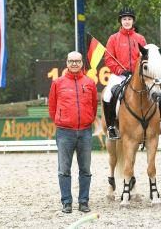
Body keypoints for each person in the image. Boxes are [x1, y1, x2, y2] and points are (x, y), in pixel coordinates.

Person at [102, 6, 161, 139]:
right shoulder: (113, 38)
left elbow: (146, 58)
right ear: (120, 21)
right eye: (124, 19)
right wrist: (120, 70)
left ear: (133, 21)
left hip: (138, 75)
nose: (127, 21)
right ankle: (111, 126)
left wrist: (137, 71)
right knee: (107, 94)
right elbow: (108, 59)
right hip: (119, 75)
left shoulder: (140, 38)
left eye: (129, 19)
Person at [48, 51, 97, 213]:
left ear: (82, 63)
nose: (74, 64)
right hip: (64, 133)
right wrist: (60, 121)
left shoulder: (90, 83)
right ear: (67, 63)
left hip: (85, 132)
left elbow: (94, 106)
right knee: (64, 170)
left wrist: (88, 120)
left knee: (85, 170)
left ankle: (83, 202)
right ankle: (66, 202)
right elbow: (52, 107)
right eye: (71, 61)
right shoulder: (58, 83)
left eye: (77, 61)